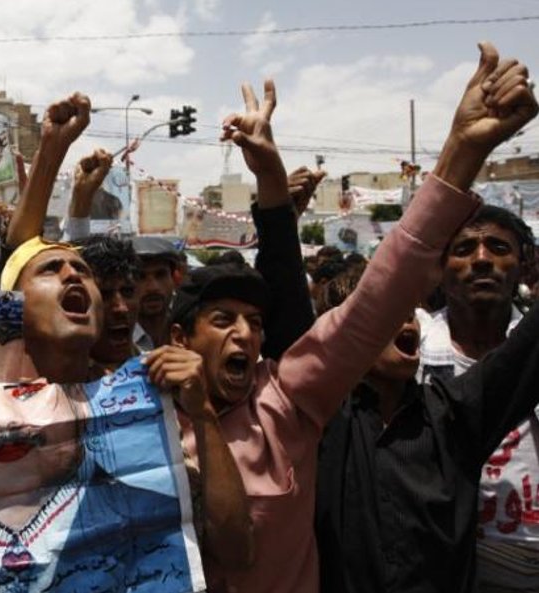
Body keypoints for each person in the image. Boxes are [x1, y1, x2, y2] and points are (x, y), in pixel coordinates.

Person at [168, 42, 535, 593]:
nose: (246, 333)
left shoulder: (288, 402)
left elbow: (382, 294)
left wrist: (461, 149)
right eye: (223, 320)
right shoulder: (135, 411)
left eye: (255, 322)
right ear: (179, 338)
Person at [0, 300, 199, 593]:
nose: (6, 420)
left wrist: (205, 416)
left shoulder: (155, 522)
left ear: (80, 402)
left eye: (27, 391)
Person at [415, 203, 539, 590]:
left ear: (524, 266)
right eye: (465, 249)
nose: (482, 259)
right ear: (440, 269)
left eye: (498, 249)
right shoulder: (408, 351)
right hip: (445, 568)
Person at [74, 236, 142, 375]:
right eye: (104, 294)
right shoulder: (54, 384)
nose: (121, 308)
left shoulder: (160, 375)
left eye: (127, 292)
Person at [131, 236, 179, 351]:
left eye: (161, 275)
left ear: (174, 279)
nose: (153, 287)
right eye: (141, 277)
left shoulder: (190, 332)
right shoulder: (113, 342)